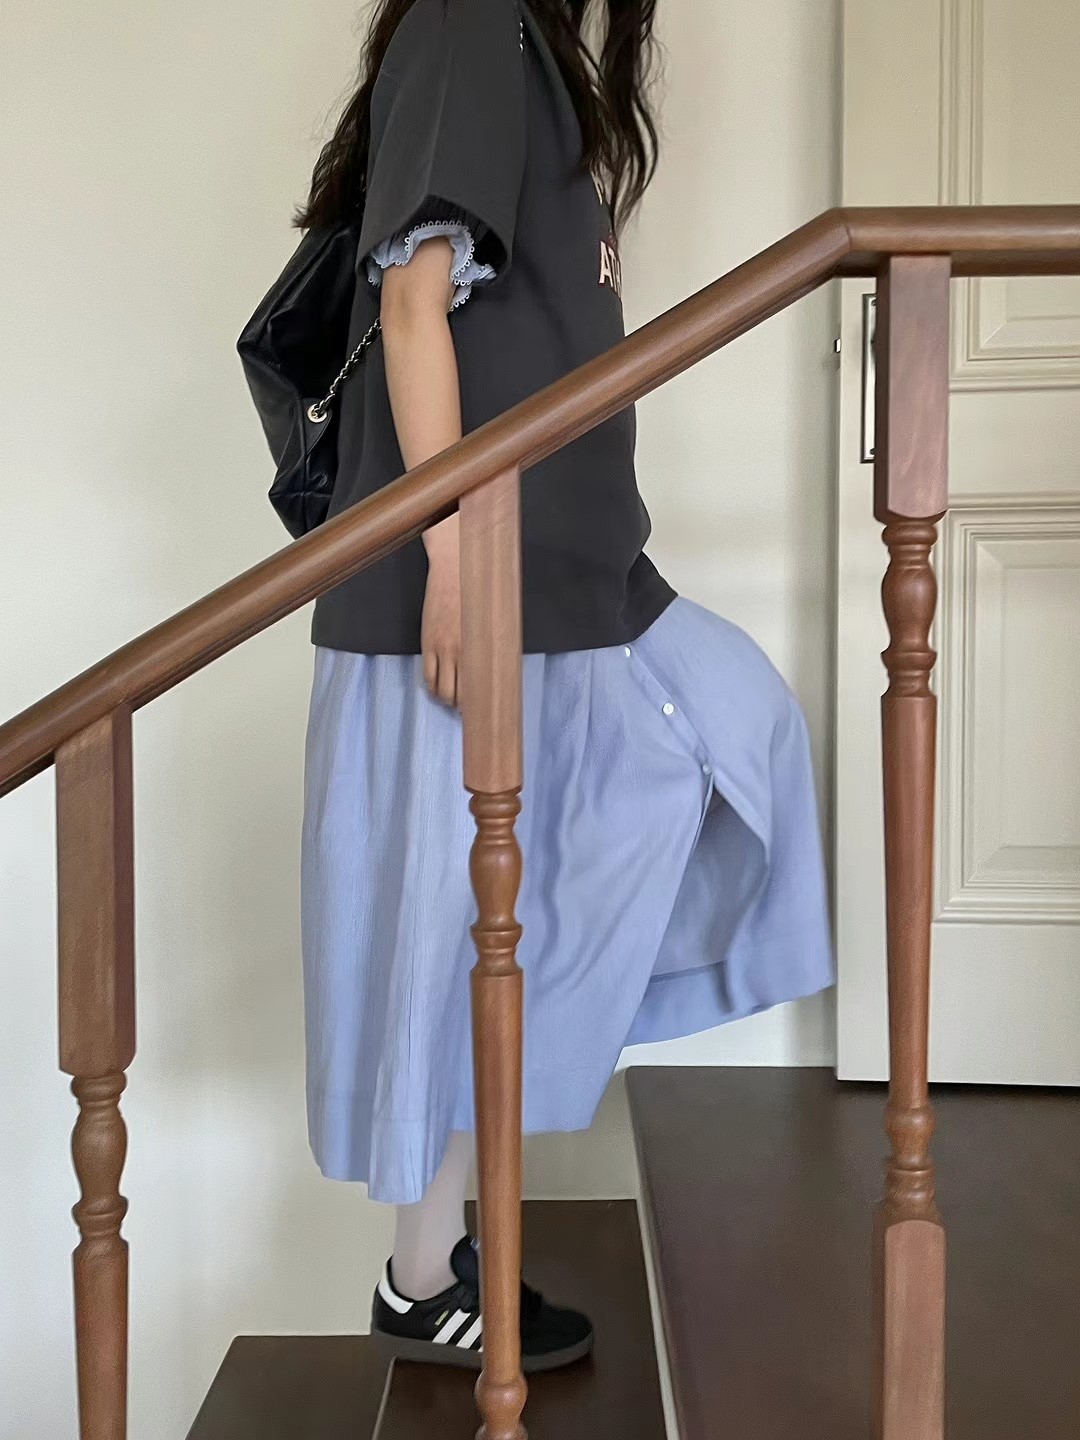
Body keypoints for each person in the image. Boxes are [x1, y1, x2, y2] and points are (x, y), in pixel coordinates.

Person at [296, 0, 833, 1373]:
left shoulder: (539, 59)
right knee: (444, 943)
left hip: (581, 580)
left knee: (732, 736)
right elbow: (412, 303)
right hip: (476, 593)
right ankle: (423, 1278)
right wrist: (450, 555)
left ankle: (474, 1194)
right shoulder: (471, 20)